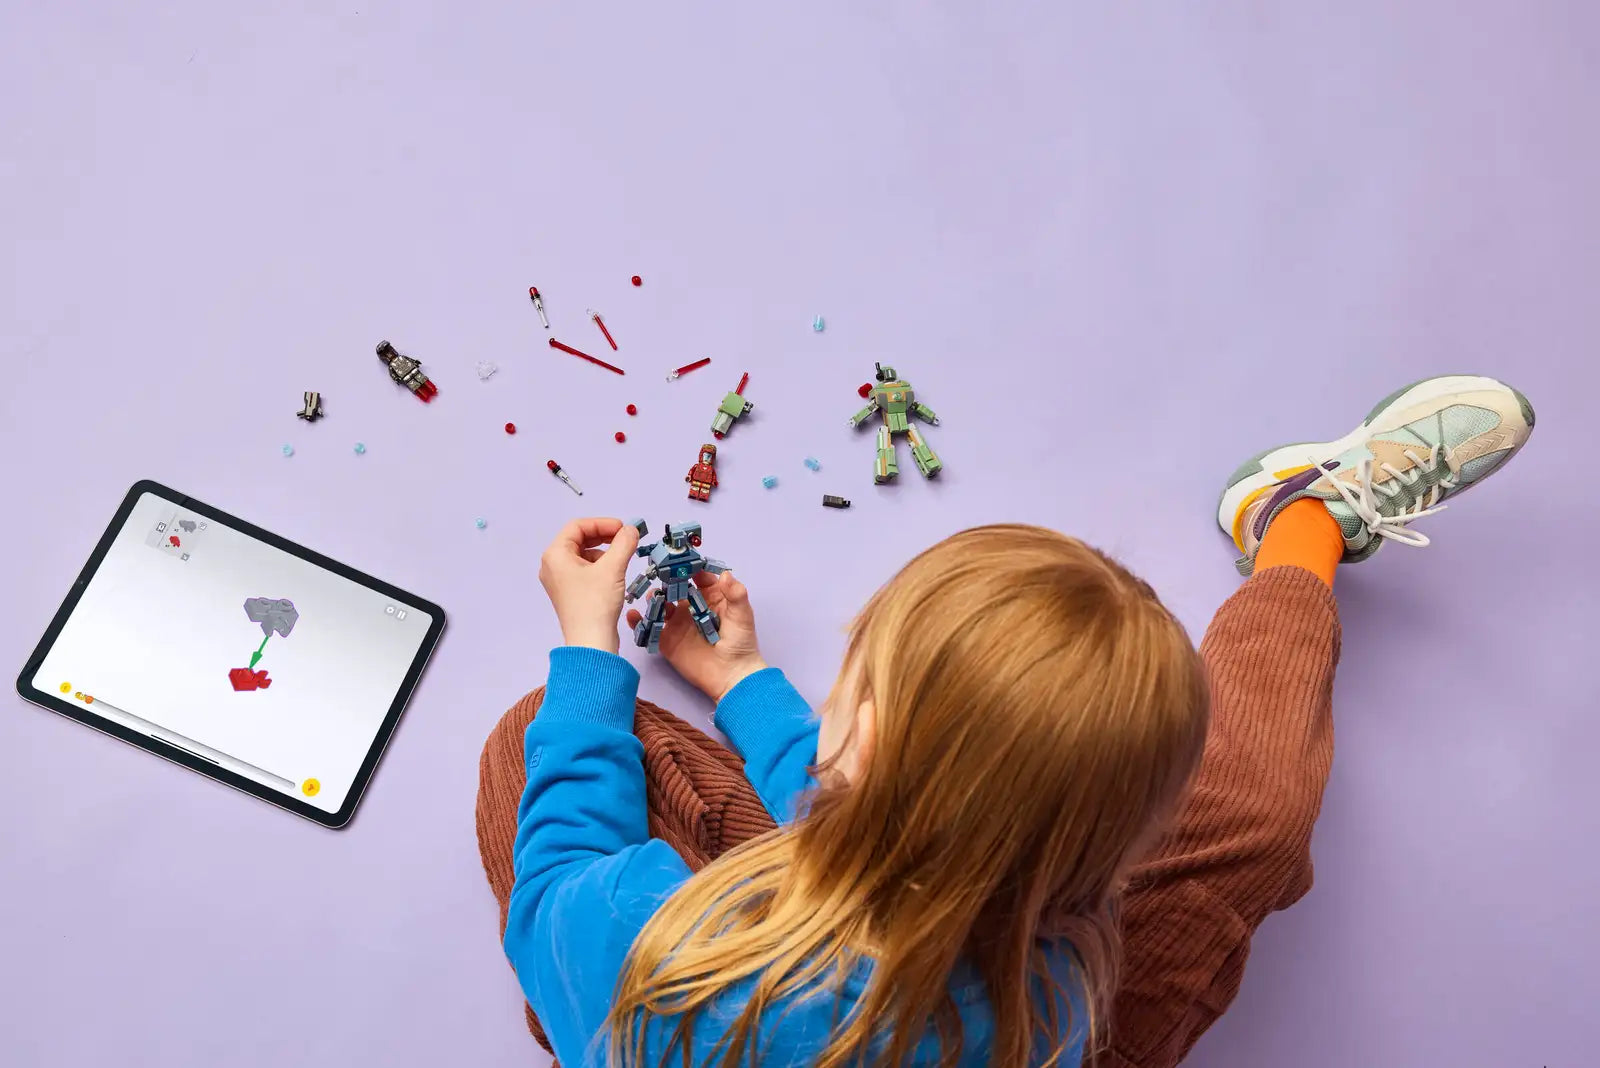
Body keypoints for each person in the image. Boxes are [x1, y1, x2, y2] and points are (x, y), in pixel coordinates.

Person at [477, 375, 1534, 1067]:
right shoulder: (1064, 976)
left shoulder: (656, 955)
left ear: (857, 738)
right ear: (1126, 847)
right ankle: (1297, 525)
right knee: (1252, 813)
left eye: (856, 678)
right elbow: (908, 808)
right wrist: (744, 677)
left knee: (540, 735)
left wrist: (590, 649)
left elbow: (554, 884)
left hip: (677, 1019)